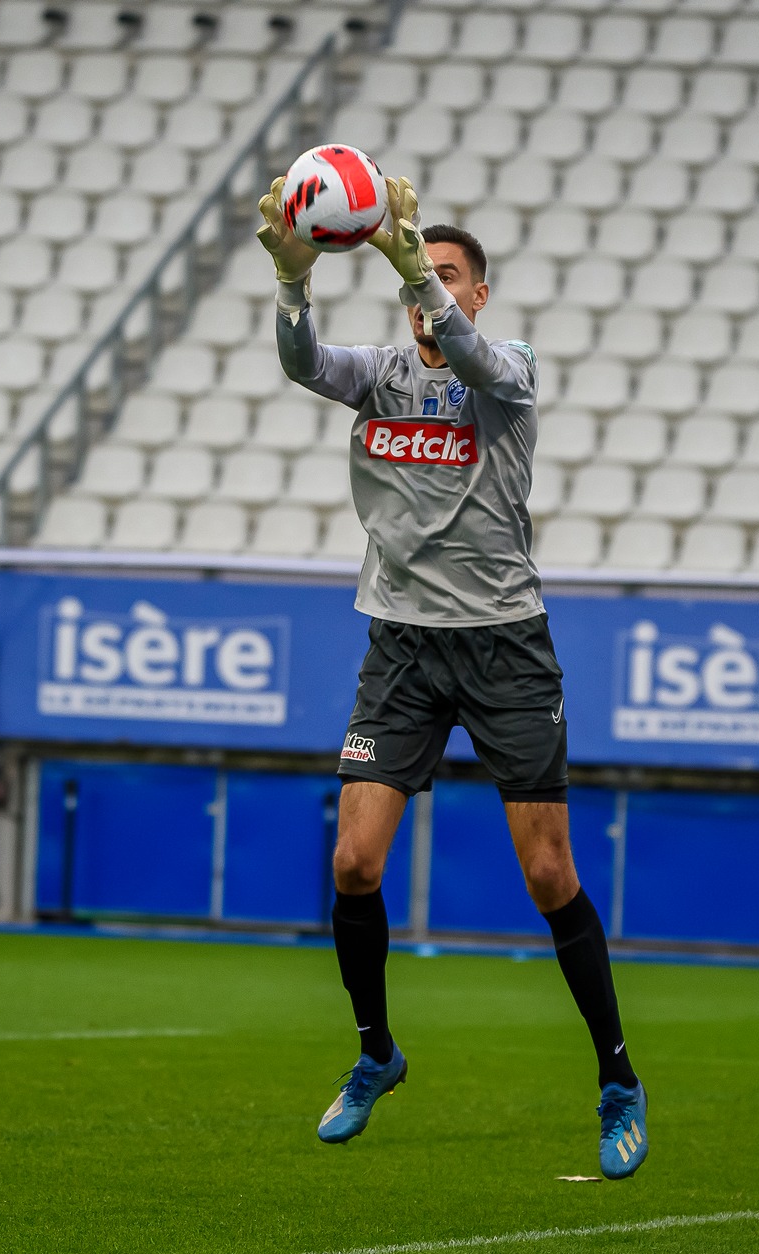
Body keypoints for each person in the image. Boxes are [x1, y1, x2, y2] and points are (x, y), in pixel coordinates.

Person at [258, 174, 648, 1179]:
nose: (427, 289)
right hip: (400, 644)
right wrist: (291, 280)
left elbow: (471, 359)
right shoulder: (379, 371)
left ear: (477, 293)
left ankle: (616, 1077)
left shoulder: (504, 365)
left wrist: (405, 268)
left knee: (547, 873)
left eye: (444, 276)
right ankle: (375, 1052)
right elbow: (303, 364)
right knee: (352, 863)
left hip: (504, 645)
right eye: (415, 275)